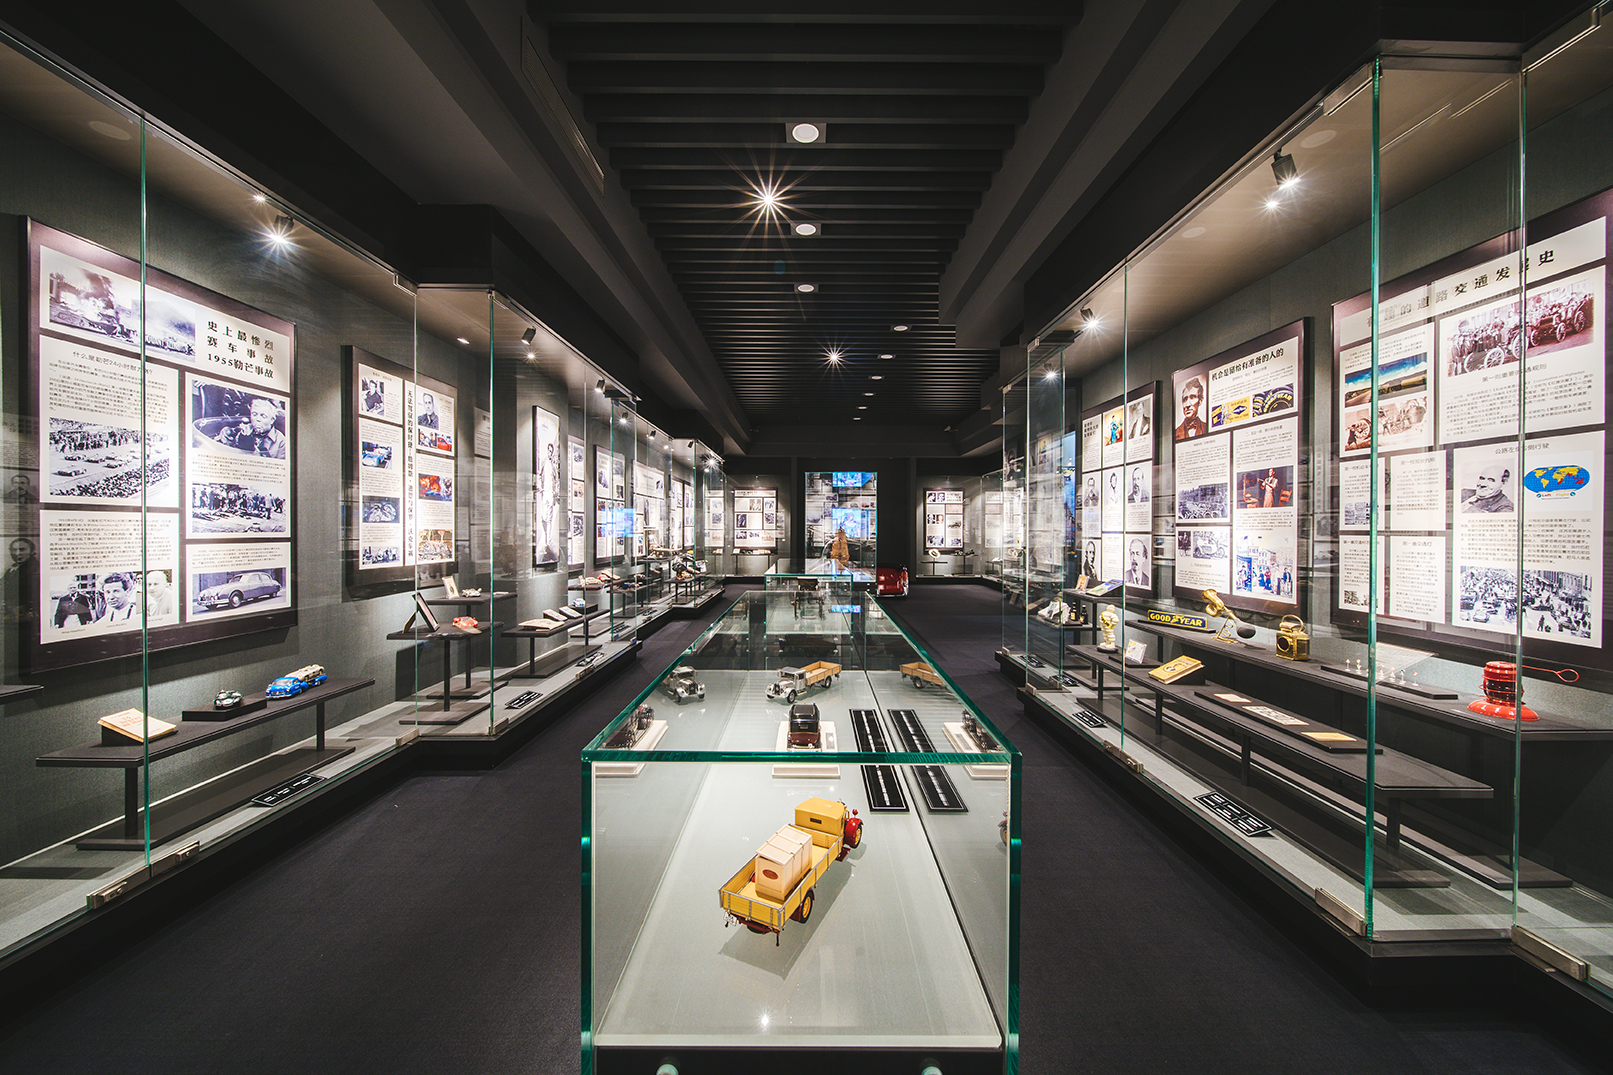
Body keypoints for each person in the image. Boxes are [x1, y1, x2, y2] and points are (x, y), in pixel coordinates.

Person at [215, 397, 287, 458]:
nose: (257, 419)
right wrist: (227, 435)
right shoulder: (245, 429)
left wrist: (251, 450)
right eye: (254, 414)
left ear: (272, 420)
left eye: (263, 416)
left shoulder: (281, 442)